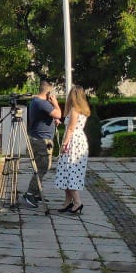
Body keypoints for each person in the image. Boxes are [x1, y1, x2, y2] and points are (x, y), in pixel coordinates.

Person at [23, 81, 62, 208]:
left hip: (36, 138)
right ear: (48, 93)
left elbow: (45, 117)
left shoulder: (34, 102)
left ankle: (34, 192)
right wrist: (55, 103)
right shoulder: (43, 103)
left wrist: (53, 119)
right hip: (42, 141)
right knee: (43, 167)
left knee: (39, 167)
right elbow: (59, 114)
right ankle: (30, 193)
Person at [54, 86, 91, 214]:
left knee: (70, 171)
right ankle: (67, 202)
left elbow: (70, 129)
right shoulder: (82, 110)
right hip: (79, 141)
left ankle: (77, 202)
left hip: (73, 142)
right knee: (68, 171)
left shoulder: (75, 110)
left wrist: (64, 145)